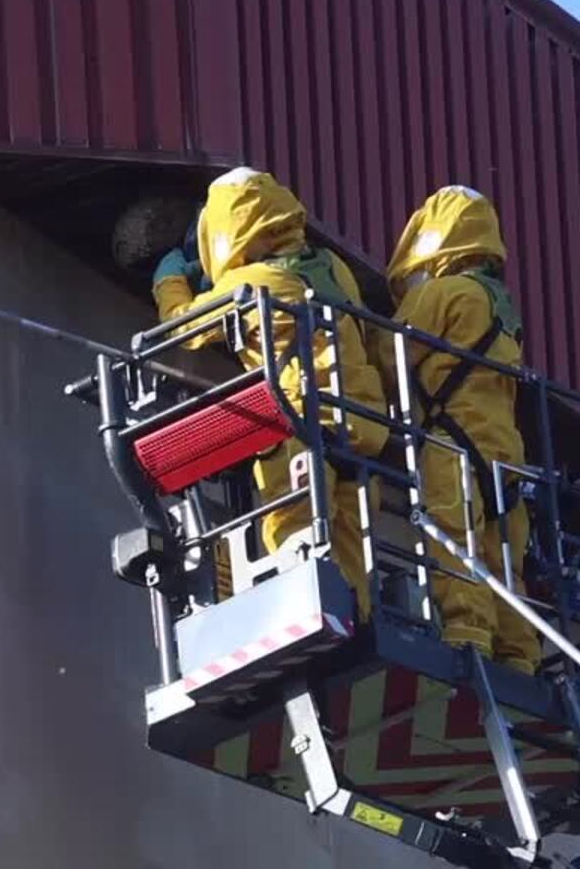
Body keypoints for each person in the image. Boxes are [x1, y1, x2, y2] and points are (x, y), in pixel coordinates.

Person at [151, 167, 389, 615]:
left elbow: (181, 328)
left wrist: (170, 280)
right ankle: (355, 623)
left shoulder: (252, 284)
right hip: (359, 430)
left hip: (301, 426)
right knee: (351, 551)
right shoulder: (332, 268)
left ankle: (302, 610)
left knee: (295, 529)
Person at [375, 185, 538, 675]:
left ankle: (469, 638)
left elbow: (393, 354)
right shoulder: (501, 307)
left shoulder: (442, 294)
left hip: (452, 444)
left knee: (454, 538)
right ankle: (520, 656)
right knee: (504, 559)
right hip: (504, 454)